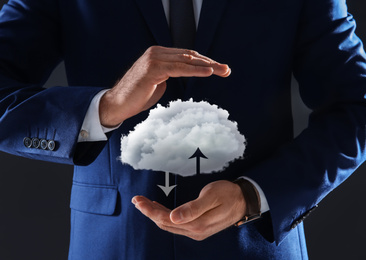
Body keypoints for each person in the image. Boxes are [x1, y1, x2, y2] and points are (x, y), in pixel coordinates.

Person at [0, 0, 365, 259]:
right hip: (112, 246)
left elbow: (357, 106)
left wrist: (253, 196)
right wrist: (107, 106)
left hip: (254, 246)